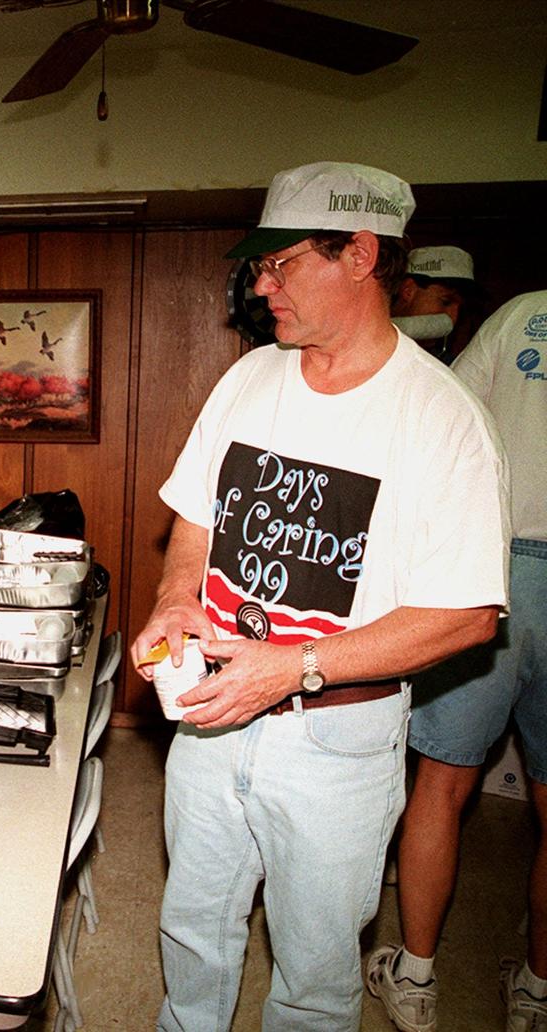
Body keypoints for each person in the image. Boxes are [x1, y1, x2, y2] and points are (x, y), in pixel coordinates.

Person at [128, 161, 509, 1031]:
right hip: (211, 713)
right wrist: (176, 600)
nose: (261, 288)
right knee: (192, 931)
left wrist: (292, 668)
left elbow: (466, 615)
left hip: (338, 744)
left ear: (362, 255)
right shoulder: (249, 378)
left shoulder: (444, 419)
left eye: (282, 264)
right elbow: (196, 518)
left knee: (312, 972)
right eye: (259, 268)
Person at [367, 289, 547, 1032]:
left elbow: (447, 412)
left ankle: (414, 978)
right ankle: (537, 991)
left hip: (495, 565)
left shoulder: (522, 314)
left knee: (441, 788)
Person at [390, 244, 479, 363]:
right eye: (445, 302)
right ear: (408, 290)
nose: (453, 318)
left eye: (461, 309)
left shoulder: (448, 366)